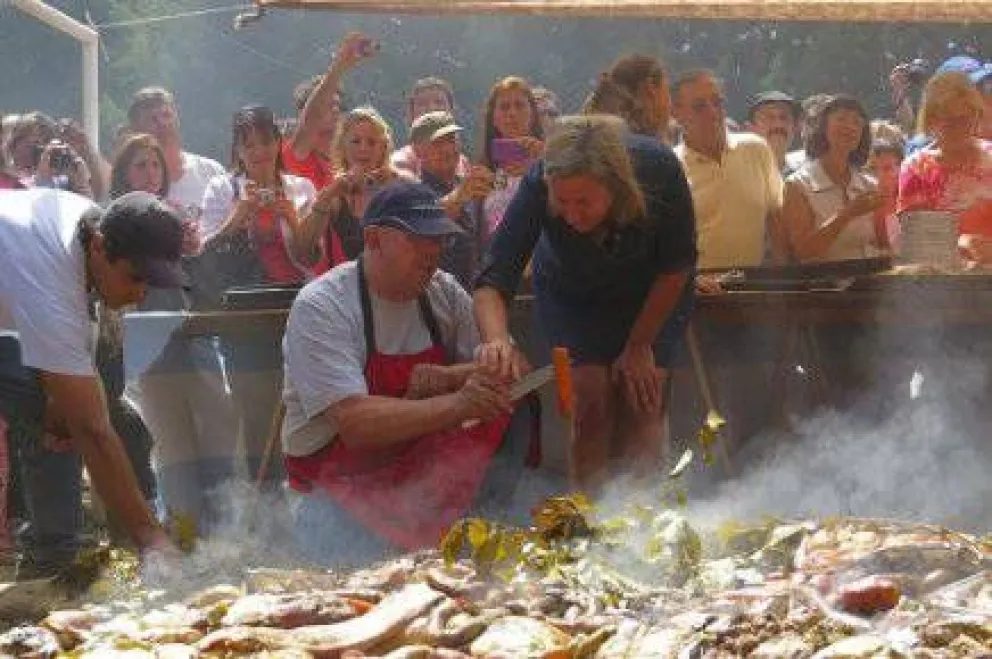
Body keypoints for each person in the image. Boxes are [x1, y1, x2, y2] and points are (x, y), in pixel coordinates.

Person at [281, 181, 531, 564]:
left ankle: (481, 528)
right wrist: (459, 402)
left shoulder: (443, 292)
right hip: (336, 494)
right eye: (419, 240)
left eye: (439, 241)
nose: (433, 254)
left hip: (418, 487)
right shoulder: (323, 305)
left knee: (512, 409)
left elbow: (517, 368)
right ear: (374, 239)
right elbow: (355, 422)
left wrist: (458, 374)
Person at [474, 115, 697, 492]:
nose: (573, 214)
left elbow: (677, 267)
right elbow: (492, 282)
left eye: (585, 202)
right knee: (590, 400)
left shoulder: (659, 170)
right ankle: (588, 523)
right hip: (571, 292)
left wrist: (640, 344)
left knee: (642, 397)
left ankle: (645, 523)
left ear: (616, 186)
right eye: (563, 202)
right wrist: (497, 341)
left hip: (652, 290)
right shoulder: (537, 184)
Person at [0, 189, 181, 576]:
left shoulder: (91, 222)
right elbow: (93, 431)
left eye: (151, 281)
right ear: (99, 248)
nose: (140, 293)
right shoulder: (50, 275)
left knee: (67, 415)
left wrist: (60, 402)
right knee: (83, 423)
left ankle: (56, 557)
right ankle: (51, 560)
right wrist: (151, 539)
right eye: (134, 278)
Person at [124, 87, 238, 529]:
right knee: (168, 433)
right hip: (151, 338)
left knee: (217, 418)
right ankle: (184, 523)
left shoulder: (181, 208)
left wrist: (195, 246)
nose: (151, 172)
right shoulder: (116, 214)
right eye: (141, 165)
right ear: (124, 172)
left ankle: (227, 523)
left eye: (155, 164)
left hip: (195, 328)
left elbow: (201, 273)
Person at [194, 106, 319, 507]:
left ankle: (304, 497)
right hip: (243, 313)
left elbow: (313, 258)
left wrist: (293, 220)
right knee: (253, 405)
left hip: (294, 307)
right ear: (238, 150)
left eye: (266, 141)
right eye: (250, 144)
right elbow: (204, 250)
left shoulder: (300, 189)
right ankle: (265, 503)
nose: (260, 151)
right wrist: (238, 216)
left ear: (279, 142)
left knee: (300, 402)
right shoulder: (221, 189)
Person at [672, 70, 785, 271]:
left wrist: (783, 281)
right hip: (700, 291)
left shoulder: (756, 149)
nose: (713, 112)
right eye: (700, 106)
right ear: (676, 114)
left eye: (717, 102)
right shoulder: (671, 166)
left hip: (753, 287)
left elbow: (775, 217)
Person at [897, 72, 992, 264]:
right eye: (949, 121)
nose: (959, 128)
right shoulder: (916, 168)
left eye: (965, 119)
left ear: (976, 115)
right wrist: (958, 243)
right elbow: (914, 240)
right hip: (940, 281)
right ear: (931, 121)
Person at [303, 107, 408, 274]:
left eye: (372, 142)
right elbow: (305, 251)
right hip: (355, 287)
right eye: (356, 141)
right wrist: (328, 196)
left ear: (383, 149)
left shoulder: (400, 185)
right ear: (343, 147)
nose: (363, 148)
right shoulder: (335, 194)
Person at [781, 95, 883, 262]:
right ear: (823, 127)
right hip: (821, 285)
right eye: (841, 119)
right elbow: (803, 250)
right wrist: (847, 214)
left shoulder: (870, 186)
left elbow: (880, 243)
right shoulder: (797, 185)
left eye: (857, 122)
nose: (850, 127)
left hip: (867, 283)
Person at [411, 111, 493, 288]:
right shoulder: (412, 193)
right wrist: (460, 195)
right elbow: (429, 223)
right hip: (435, 300)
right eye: (438, 143)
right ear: (417, 150)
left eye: (452, 140)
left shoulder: (469, 186)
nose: (448, 149)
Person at [477, 76, 545, 243]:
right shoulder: (485, 173)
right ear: (493, 118)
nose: (512, 113)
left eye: (520, 105)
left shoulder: (550, 162)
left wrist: (544, 164)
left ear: (533, 114)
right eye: (504, 107)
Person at [391, 77, 471, 179]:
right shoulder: (400, 162)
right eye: (422, 104)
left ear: (451, 111)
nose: (431, 108)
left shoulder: (462, 162)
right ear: (411, 113)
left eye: (439, 102)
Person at [582, 54, 671, 142]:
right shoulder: (652, 152)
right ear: (650, 90)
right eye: (667, 91)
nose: (670, 104)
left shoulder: (589, 141)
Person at [3, 112, 93, 198]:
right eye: (32, 145)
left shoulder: (61, 181)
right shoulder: (8, 182)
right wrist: (42, 179)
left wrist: (81, 184)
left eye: (44, 146)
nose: (39, 151)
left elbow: (88, 211)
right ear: (15, 143)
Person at [746, 91, 801, 174]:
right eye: (769, 117)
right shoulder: (737, 176)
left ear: (795, 127)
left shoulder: (805, 180)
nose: (778, 124)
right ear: (750, 128)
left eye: (784, 117)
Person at [867, 139, 905, 251]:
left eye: (887, 168)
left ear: (900, 169)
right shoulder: (862, 205)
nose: (879, 176)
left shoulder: (911, 203)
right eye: (873, 169)